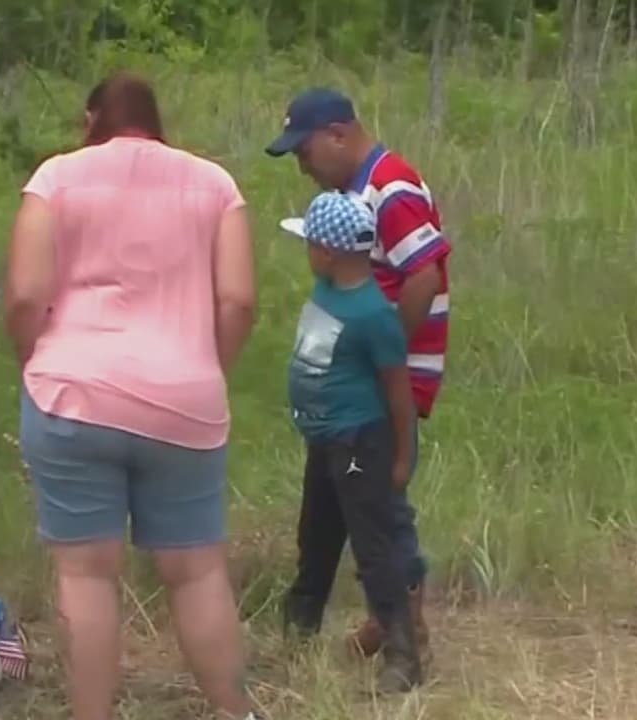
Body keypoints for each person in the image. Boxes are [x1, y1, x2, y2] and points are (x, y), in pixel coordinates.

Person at [3, 71, 260, 720]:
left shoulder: (56, 179)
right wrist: (208, 366)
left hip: (72, 393)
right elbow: (238, 300)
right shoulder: (214, 185)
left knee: (86, 574)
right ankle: (236, 711)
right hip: (185, 400)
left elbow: (27, 295)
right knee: (197, 573)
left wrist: (32, 360)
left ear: (91, 120)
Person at [266, 88, 451, 660]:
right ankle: (388, 616)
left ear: (338, 135)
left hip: (385, 380)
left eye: (305, 152)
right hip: (356, 389)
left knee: (380, 508)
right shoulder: (357, 192)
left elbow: (424, 274)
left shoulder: (391, 188)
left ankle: (404, 626)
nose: (303, 166)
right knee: (356, 504)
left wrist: (383, 353)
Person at [277, 191, 421, 692]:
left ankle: (402, 654)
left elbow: (398, 392)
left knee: (373, 546)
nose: (307, 253)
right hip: (325, 441)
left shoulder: (372, 315)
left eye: (309, 244)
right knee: (315, 536)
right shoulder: (327, 291)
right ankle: (298, 631)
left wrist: (402, 456)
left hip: (360, 443)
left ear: (327, 251)